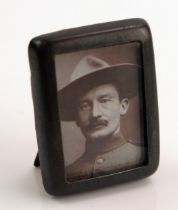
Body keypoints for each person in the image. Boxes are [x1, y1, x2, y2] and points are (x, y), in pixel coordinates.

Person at [58, 55, 145, 182]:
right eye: (84, 106)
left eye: (104, 100)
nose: (94, 114)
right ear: (76, 117)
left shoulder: (140, 157)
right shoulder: (69, 173)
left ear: (123, 106)